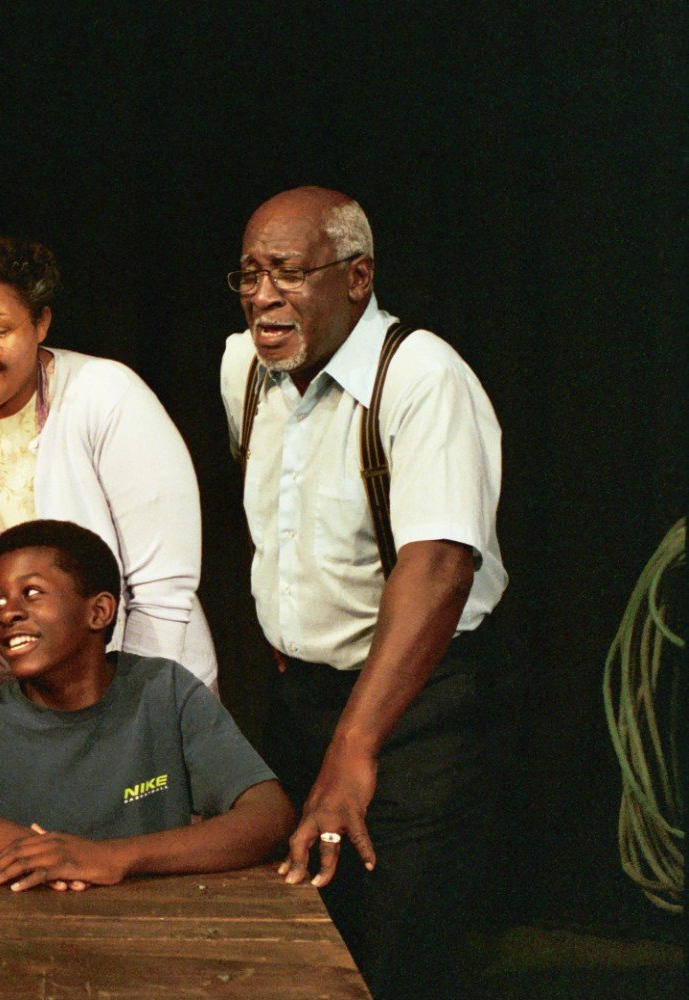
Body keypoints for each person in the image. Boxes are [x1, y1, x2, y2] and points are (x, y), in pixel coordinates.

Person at [220, 187, 506, 999]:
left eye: (287, 273)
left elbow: (443, 566)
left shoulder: (421, 378)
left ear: (357, 276)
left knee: (393, 952)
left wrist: (354, 749)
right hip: (301, 699)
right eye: (248, 275)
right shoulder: (244, 365)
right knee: (292, 946)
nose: (263, 298)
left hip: (419, 710)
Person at [0, 236, 216, 731]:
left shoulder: (106, 398)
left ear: (41, 323)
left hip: (127, 706)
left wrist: (127, 715)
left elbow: (162, 588)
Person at [0, 520, 293, 890]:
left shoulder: (164, 692)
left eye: (31, 593)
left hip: (153, 935)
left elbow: (269, 816)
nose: (6, 612)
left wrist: (113, 857)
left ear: (98, 612)